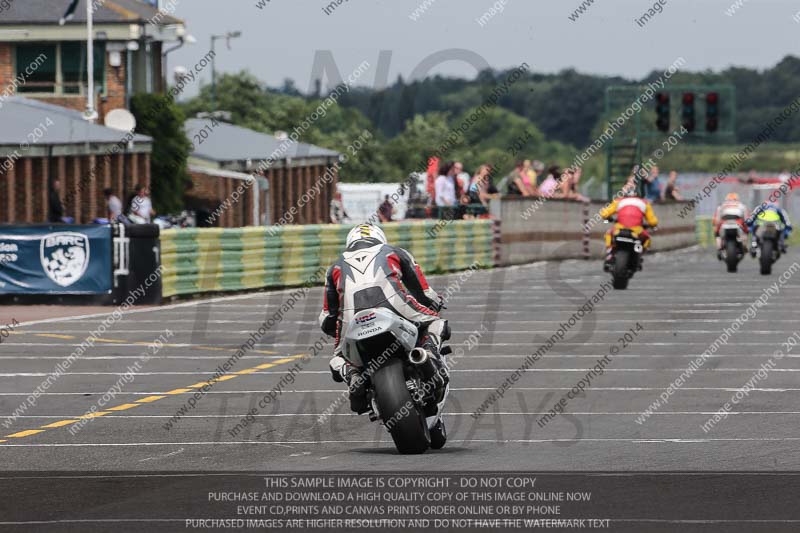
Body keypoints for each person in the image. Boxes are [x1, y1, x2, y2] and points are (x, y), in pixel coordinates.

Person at [319, 223, 449, 440]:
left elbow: (327, 316)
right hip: (396, 306)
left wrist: (332, 328)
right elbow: (424, 291)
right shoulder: (394, 252)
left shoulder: (334, 267)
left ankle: (352, 376)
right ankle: (427, 355)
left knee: (338, 357)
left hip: (353, 318)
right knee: (437, 323)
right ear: (380, 238)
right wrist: (436, 303)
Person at [599, 188, 659, 271]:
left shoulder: (619, 201)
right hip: (636, 230)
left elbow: (604, 214)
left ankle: (609, 254)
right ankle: (639, 255)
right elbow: (653, 222)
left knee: (608, 234)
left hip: (619, 228)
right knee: (647, 239)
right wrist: (652, 226)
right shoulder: (644, 203)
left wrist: (609, 219)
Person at [712, 192, 749, 258]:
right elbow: (746, 218)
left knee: (717, 233)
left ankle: (719, 248)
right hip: (737, 222)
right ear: (737, 199)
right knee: (745, 231)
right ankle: (744, 246)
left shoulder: (721, 205)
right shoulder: (741, 205)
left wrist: (716, 226)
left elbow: (717, 219)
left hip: (724, 222)